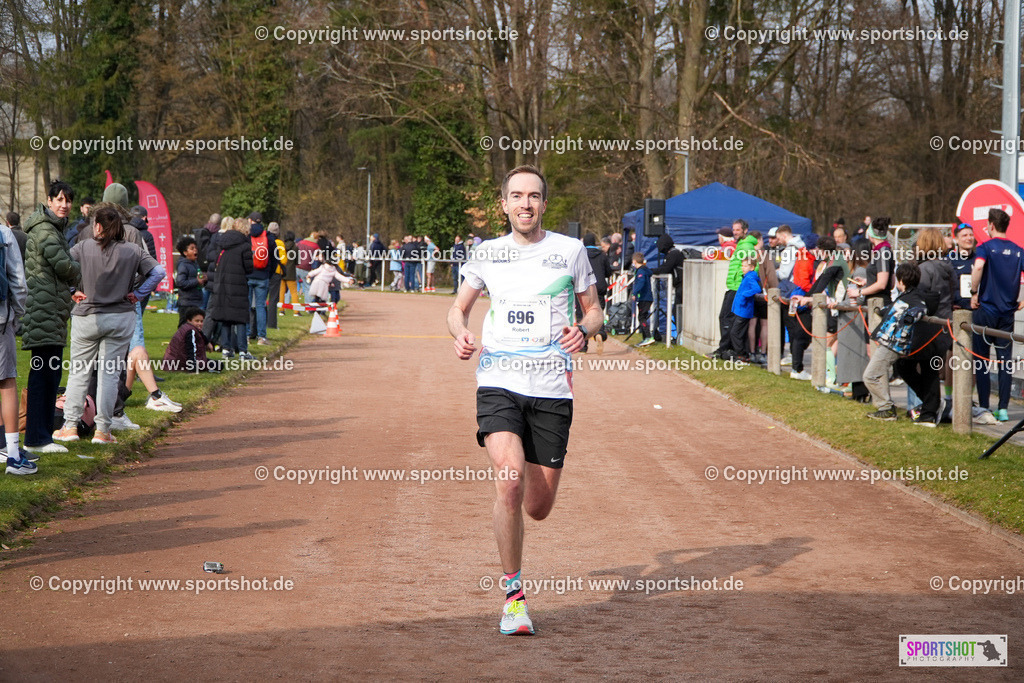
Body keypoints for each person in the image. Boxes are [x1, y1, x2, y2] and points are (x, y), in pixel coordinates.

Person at [447, 165, 601, 636]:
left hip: (552, 388)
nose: (525, 204)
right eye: (517, 196)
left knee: (537, 506)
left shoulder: (570, 251)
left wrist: (585, 331)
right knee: (509, 480)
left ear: (544, 204)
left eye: (533, 196)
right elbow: (457, 309)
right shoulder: (487, 253)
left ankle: (533, 481)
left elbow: (594, 310)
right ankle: (514, 599)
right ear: (504, 204)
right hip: (498, 380)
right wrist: (461, 334)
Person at [53, 207, 166, 446]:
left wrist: (72, 291)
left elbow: (61, 266)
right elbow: (158, 271)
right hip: (120, 317)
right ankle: (103, 430)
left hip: (87, 316)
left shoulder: (83, 247)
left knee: (79, 372)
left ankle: (70, 425)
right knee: (110, 374)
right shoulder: (133, 250)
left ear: (97, 227)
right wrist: (139, 292)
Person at [22, 180, 82, 455]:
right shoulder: (46, 230)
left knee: (50, 374)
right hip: (43, 311)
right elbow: (63, 264)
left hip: (51, 311)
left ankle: (43, 435)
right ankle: (36, 437)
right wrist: (81, 269)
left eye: (68, 200)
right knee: (43, 376)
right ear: (49, 200)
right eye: (59, 199)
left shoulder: (53, 228)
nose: (64, 205)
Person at [970, 208, 1024, 422]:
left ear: (990, 225)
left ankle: (984, 407)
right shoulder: (1019, 250)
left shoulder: (985, 247)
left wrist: (974, 292)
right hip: (1007, 315)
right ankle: (1002, 409)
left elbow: (979, 266)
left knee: (982, 360)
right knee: (1004, 362)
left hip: (986, 311)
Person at [863, 263, 934, 421]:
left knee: (870, 376)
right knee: (880, 374)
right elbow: (894, 309)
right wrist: (881, 311)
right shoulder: (906, 295)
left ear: (901, 280)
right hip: (889, 343)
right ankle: (888, 407)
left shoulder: (914, 297)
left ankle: (887, 408)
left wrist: (910, 317)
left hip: (893, 345)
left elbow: (920, 309)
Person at [898, 227, 954, 425]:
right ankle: (931, 407)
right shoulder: (947, 266)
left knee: (906, 364)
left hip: (930, 325)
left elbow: (920, 297)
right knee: (928, 367)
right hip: (944, 324)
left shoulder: (925, 269)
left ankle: (931, 409)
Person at [0, 215, 31, 474]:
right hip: (0, 321)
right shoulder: (4, 234)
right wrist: (16, 315)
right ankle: (12, 454)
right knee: (7, 382)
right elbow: (19, 283)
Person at [210, 218, 254, 359]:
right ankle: (242, 351)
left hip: (222, 283)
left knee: (226, 317)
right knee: (240, 318)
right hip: (238, 284)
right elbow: (249, 268)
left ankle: (226, 349)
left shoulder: (222, 242)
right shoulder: (245, 245)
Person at [713, 220, 756, 359]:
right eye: (734, 229)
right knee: (726, 318)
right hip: (733, 286)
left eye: (737, 230)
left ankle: (725, 349)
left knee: (726, 318)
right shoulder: (741, 245)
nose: (735, 232)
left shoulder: (747, 246)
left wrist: (743, 285)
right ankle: (727, 349)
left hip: (737, 287)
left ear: (745, 230)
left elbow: (752, 267)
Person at [246, 212, 277, 345]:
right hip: (263, 276)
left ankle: (246, 335)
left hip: (248, 275)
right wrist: (268, 274)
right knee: (260, 306)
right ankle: (262, 337)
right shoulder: (269, 237)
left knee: (246, 306)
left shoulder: (246, 235)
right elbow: (275, 259)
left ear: (249, 220)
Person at [164, 307, 218, 372]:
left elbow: (200, 333)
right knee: (219, 365)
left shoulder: (186, 327)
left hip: (172, 362)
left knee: (211, 362)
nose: (200, 324)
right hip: (181, 363)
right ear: (189, 320)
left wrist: (207, 343)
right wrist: (192, 369)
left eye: (201, 321)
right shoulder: (191, 332)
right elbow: (191, 350)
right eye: (197, 321)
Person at [729, 257, 762, 361]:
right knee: (739, 332)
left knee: (734, 332)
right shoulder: (747, 276)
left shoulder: (750, 277)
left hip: (743, 310)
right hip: (741, 309)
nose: (743, 268)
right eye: (742, 266)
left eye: (745, 266)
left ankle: (740, 354)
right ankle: (742, 353)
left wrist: (744, 295)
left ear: (752, 267)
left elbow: (757, 288)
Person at [174, 235, 205, 328]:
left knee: (195, 326)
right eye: (192, 248)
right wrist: (196, 281)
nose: (195, 250)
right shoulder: (183, 265)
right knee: (184, 326)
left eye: (195, 248)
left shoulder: (195, 264)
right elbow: (180, 282)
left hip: (196, 301)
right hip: (186, 302)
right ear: (185, 252)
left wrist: (204, 280)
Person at [266, 222, 286, 328]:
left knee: (261, 299)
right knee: (273, 299)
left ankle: (261, 323)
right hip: (276, 272)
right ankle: (272, 324)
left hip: (265, 271)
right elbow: (284, 260)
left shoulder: (264, 240)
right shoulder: (279, 243)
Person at [633, 252, 655, 347]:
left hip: (644, 298)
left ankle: (648, 337)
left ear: (634, 261)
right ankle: (645, 339)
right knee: (643, 317)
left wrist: (634, 293)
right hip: (646, 298)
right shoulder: (645, 270)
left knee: (641, 317)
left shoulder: (641, 271)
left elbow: (640, 283)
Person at [280, 230, 300, 314]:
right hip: (291, 272)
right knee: (294, 292)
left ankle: (281, 310)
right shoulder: (295, 248)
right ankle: (296, 311)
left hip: (281, 271)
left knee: (281, 292)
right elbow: (297, 262)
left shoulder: (282, 246)